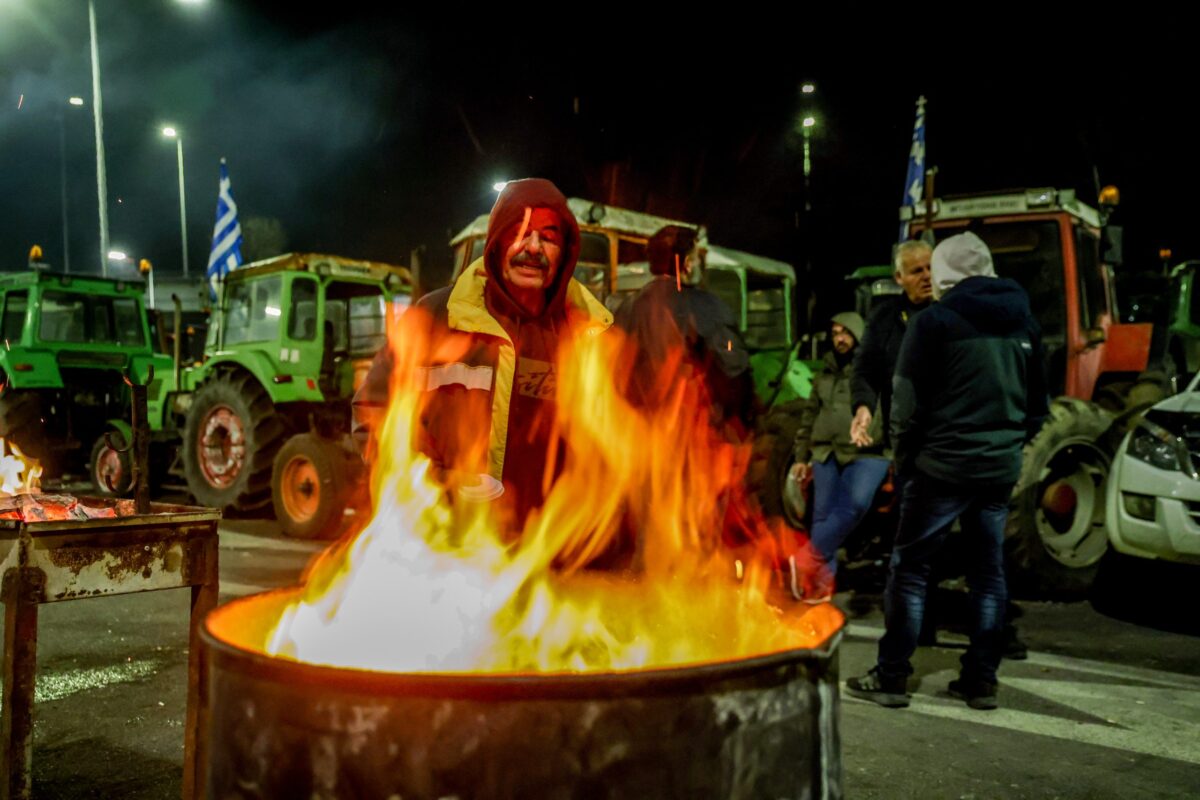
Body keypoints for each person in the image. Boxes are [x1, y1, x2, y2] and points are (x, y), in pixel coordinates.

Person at [846, 231, 1048, 711]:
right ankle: (981, 681)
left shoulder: (934, 321)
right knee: (988, 573)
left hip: (940, 467)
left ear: (944, 274)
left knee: (910, 571)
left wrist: (908, 459)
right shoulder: (1023, 320)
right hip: (998, 470)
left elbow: (906, 405)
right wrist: (1006, 446)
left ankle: (893, 676)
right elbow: (1038, 407)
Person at [352, 178, 612, 529]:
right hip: (441, 543)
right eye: (519, 232)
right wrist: (437, 484)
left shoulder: (588, 337)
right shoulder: (436, 318)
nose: (533, 248)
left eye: (548, 238)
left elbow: (613, 451)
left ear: (565, 252)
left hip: (542, 555)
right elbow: (373, 411)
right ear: (495, 242)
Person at [613, 224, 753, 429]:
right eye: (697, 258)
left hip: (633, 433)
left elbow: (613, 369)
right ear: (686, 264)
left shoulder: (625, 307)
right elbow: (735, 367)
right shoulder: (703, 306)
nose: (698, 264)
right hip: (688, 435)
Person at [788, 312, 888, 601]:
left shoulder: (875, 369)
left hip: (867, 451)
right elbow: (809, 416)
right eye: (835, 333)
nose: (839, 339)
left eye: (845, 333)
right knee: (821, 517)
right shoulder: (825, 371)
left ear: (858, 336)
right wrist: (800, 455)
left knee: (853, 506)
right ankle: (820, 587)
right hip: (826, 450)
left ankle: (807, 557)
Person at [848, 240, 932, 450]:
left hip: (947, 437)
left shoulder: (953, 311)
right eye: (917, 271)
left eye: (931, 268)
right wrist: (863, 406)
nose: (927, 276)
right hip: (903, 438)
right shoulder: (883, 319)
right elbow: (865, 370)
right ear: (899, 277)